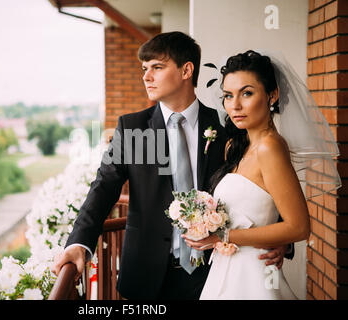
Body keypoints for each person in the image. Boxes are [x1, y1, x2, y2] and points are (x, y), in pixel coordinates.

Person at [52, 33, 290, 300]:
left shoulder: (227, 126)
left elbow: (260, 181)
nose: (146, 76)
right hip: (146, 276)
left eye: (157, 67)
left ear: (186, 70)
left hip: (215, 272)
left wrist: (280, 236)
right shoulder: (131, 128)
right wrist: (79, 243)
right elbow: (102, 188)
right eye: (145, 68)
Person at [184, 50, 340, 299]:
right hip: (228, 267)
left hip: (254, 274)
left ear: (272, 95)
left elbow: (299, 227)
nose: (234, 105)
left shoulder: (270, 147)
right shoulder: (236, 146)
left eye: (247, 93)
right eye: (228, 96)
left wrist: (222, 235)